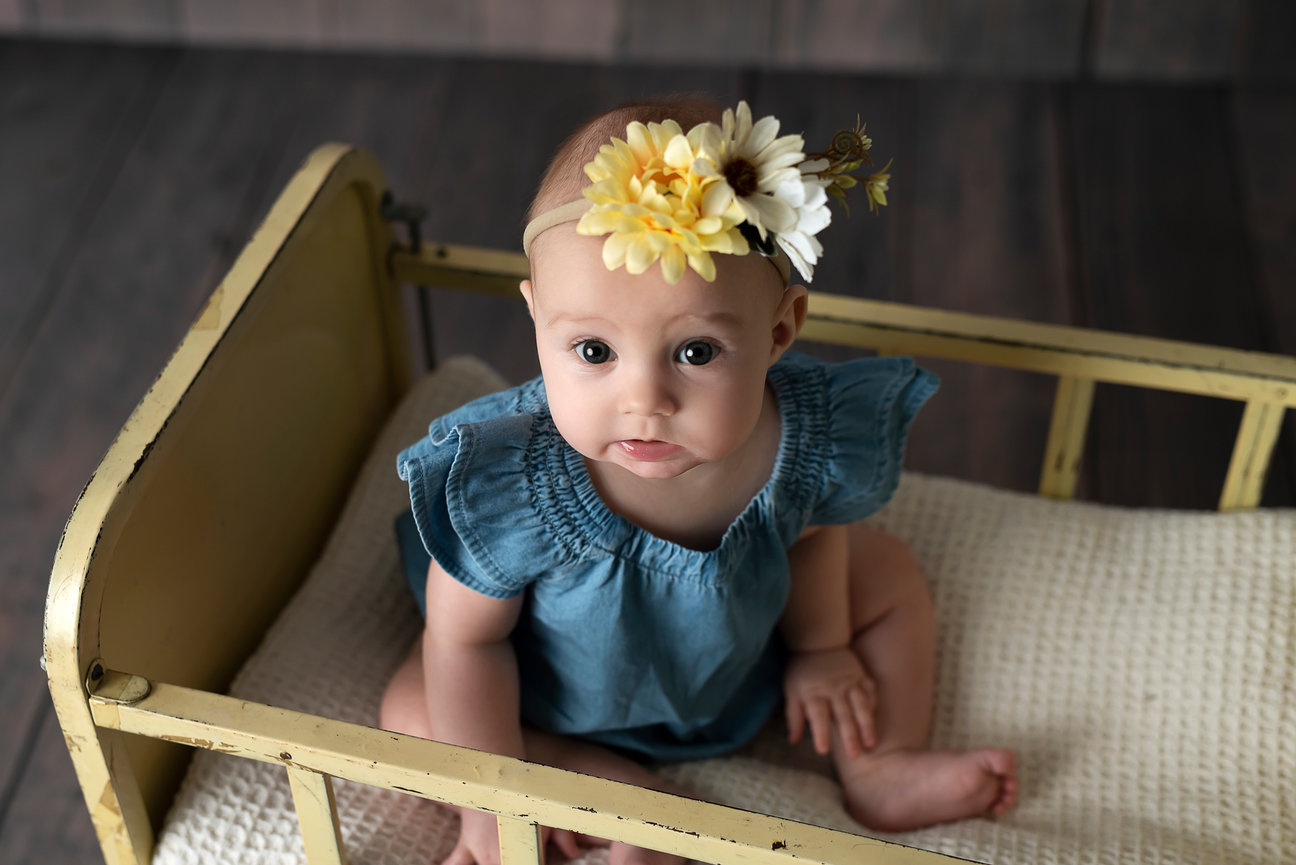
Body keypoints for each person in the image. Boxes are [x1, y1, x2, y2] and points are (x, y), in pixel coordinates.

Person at [381, 96, 1018, 865]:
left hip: (735, 660)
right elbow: (465, 642)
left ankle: (879, 762)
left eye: (695, 352)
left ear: (779, 330)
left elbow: (813, 537)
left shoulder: (803, 438)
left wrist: (821, 649)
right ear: (537, 315)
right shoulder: (515, 486)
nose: (645, 399)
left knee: (886, 571)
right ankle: (615, 793)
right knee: (411, 711)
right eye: (593, 351)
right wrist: (495, 808)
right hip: (544, 691)